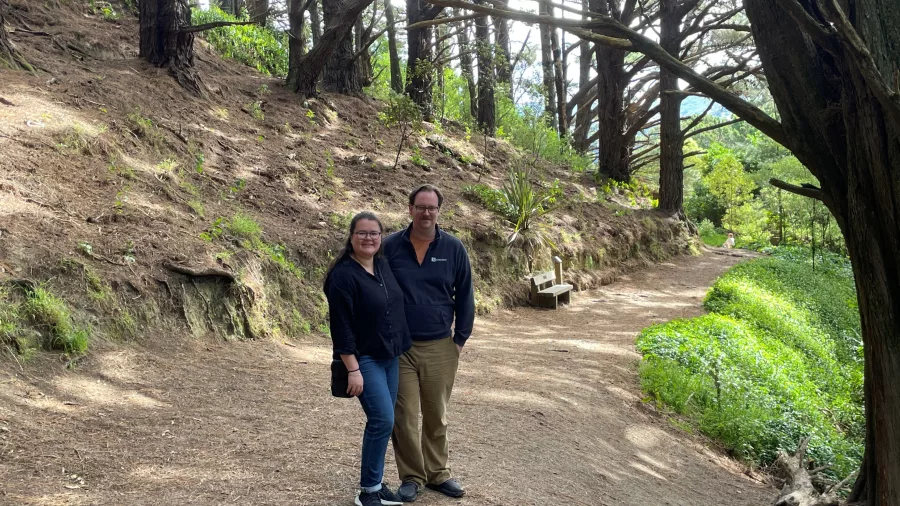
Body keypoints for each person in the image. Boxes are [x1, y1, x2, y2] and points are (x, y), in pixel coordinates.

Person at [384, 185, 475, 502]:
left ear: (438, 211)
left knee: (437, 414)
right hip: (401, 348)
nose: (426, 213)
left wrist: (459, 339)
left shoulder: (453, 248)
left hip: (440, 346)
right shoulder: (390, 246)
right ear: (410, 209)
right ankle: (412, 476)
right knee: (404, 416)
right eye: (420, 207)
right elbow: (375, 289)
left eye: (431, 208)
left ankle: (438, 474)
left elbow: (465, 295)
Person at [324, 211, 411, 506]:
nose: (368, 238)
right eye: (362, 233)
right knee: (381, 419)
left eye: (374, 233)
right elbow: (341, 328)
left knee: (385, 422)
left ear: (380, 237)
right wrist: (353, 369)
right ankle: (368, 491)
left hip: (390, 357)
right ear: (351, 237)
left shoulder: (382, 265)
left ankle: (376, 482)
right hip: (364, 359)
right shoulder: (342, 276)